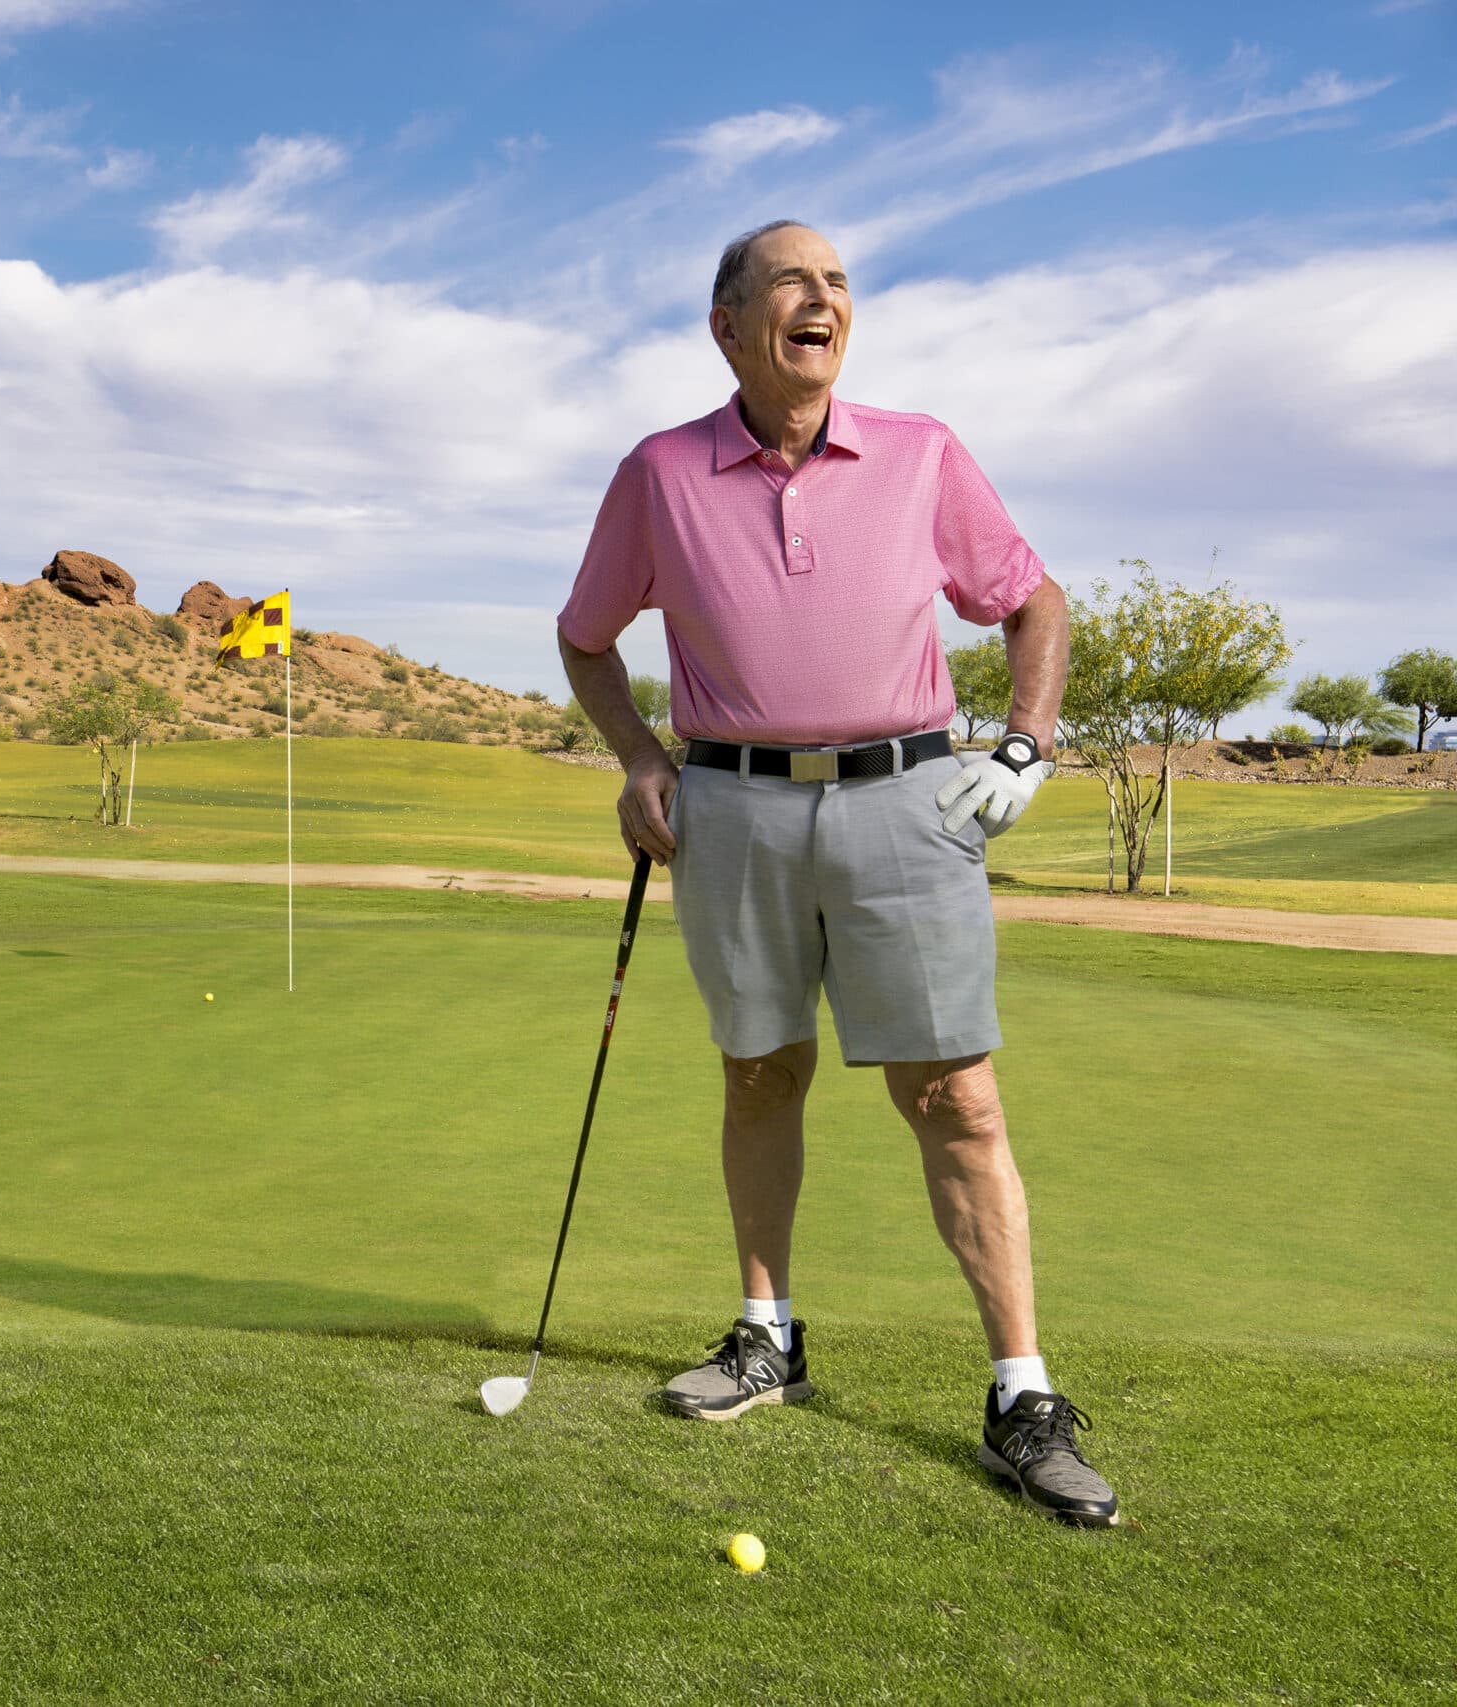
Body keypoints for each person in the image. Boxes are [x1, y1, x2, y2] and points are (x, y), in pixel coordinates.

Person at [555, 220, 1117, 1526]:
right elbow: (587, 637)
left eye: (840, 282)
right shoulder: (659, 471)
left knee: (958, 1098)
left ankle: (1021, 1396)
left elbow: (1033, 600)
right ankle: (768, 1336)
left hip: (909, 803)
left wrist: (1026, 745)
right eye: (794, 282)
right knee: (760, 1070)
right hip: (731, 811)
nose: (825, 298)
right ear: (731, 325)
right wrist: (640, 755)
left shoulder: (920, 451)